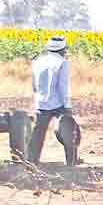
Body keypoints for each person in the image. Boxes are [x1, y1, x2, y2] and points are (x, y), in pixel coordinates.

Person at [26, 36, 79, 166]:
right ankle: (71, 161)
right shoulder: (62, 62)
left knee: (38, 132)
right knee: (68, 130)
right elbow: (62, 86)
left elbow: (34, 85)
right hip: (58, 103)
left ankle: (31, 160)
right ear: (63, 49)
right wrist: (67, 105)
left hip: (42, 102)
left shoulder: (38, 61)